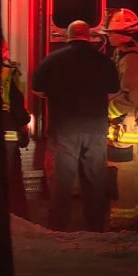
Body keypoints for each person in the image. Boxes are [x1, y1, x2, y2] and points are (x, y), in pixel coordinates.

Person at [31, 20, 120, 232]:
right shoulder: (104, 61)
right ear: (89, 37)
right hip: (95, 128)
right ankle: (96, 226)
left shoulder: (52, 60)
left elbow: (38, 90)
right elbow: (113, 93)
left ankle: (59, 227)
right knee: (94, 179)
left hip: (64, 129)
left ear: (67, 37)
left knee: (62, 180)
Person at [101, 8, 138, 231]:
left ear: (125, 33)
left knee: (122, 177)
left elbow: (132, 96)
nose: (108, 35)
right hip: (130, 127)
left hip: (126, 130)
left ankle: (123, 222)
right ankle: (134, 217)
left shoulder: (131, 58)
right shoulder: (125, 54)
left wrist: (106, 111)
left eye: (112, 32)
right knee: (129, 176)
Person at [1, 37, 31, 221]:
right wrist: (24, 123)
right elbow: (18, 105)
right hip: (6, 131)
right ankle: (14, 217)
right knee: (10, 178)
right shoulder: (8, 74)